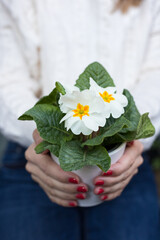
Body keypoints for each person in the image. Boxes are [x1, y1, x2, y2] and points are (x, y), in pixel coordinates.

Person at [0, 0, 160, 239]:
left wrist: (131, 138)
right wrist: (39, 132)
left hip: (123, 162)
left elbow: (155, 75)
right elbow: (7, 79)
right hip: (35, 158)